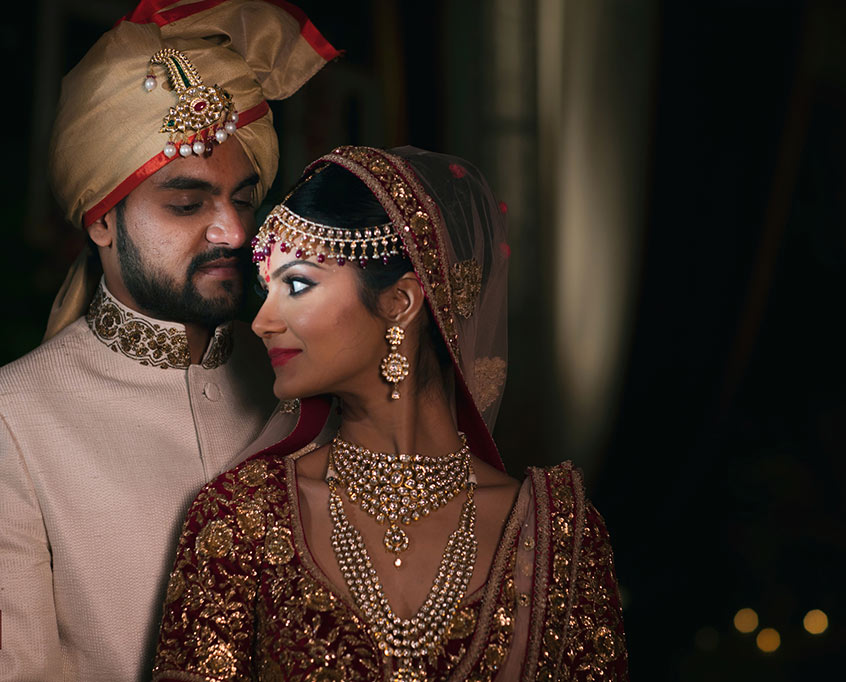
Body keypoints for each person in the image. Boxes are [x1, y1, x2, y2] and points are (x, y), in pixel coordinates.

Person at [152, 145, 629, 681]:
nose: (263, 321)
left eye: (298, 284)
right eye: (268, 290)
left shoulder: (555, 537)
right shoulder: (244, 519)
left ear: (401, 302)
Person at [0, 1, 338, 679]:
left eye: (244, 199)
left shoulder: (301, 377)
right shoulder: (16, 422)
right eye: (187, 204)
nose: (233, 233)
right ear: (101, 220)